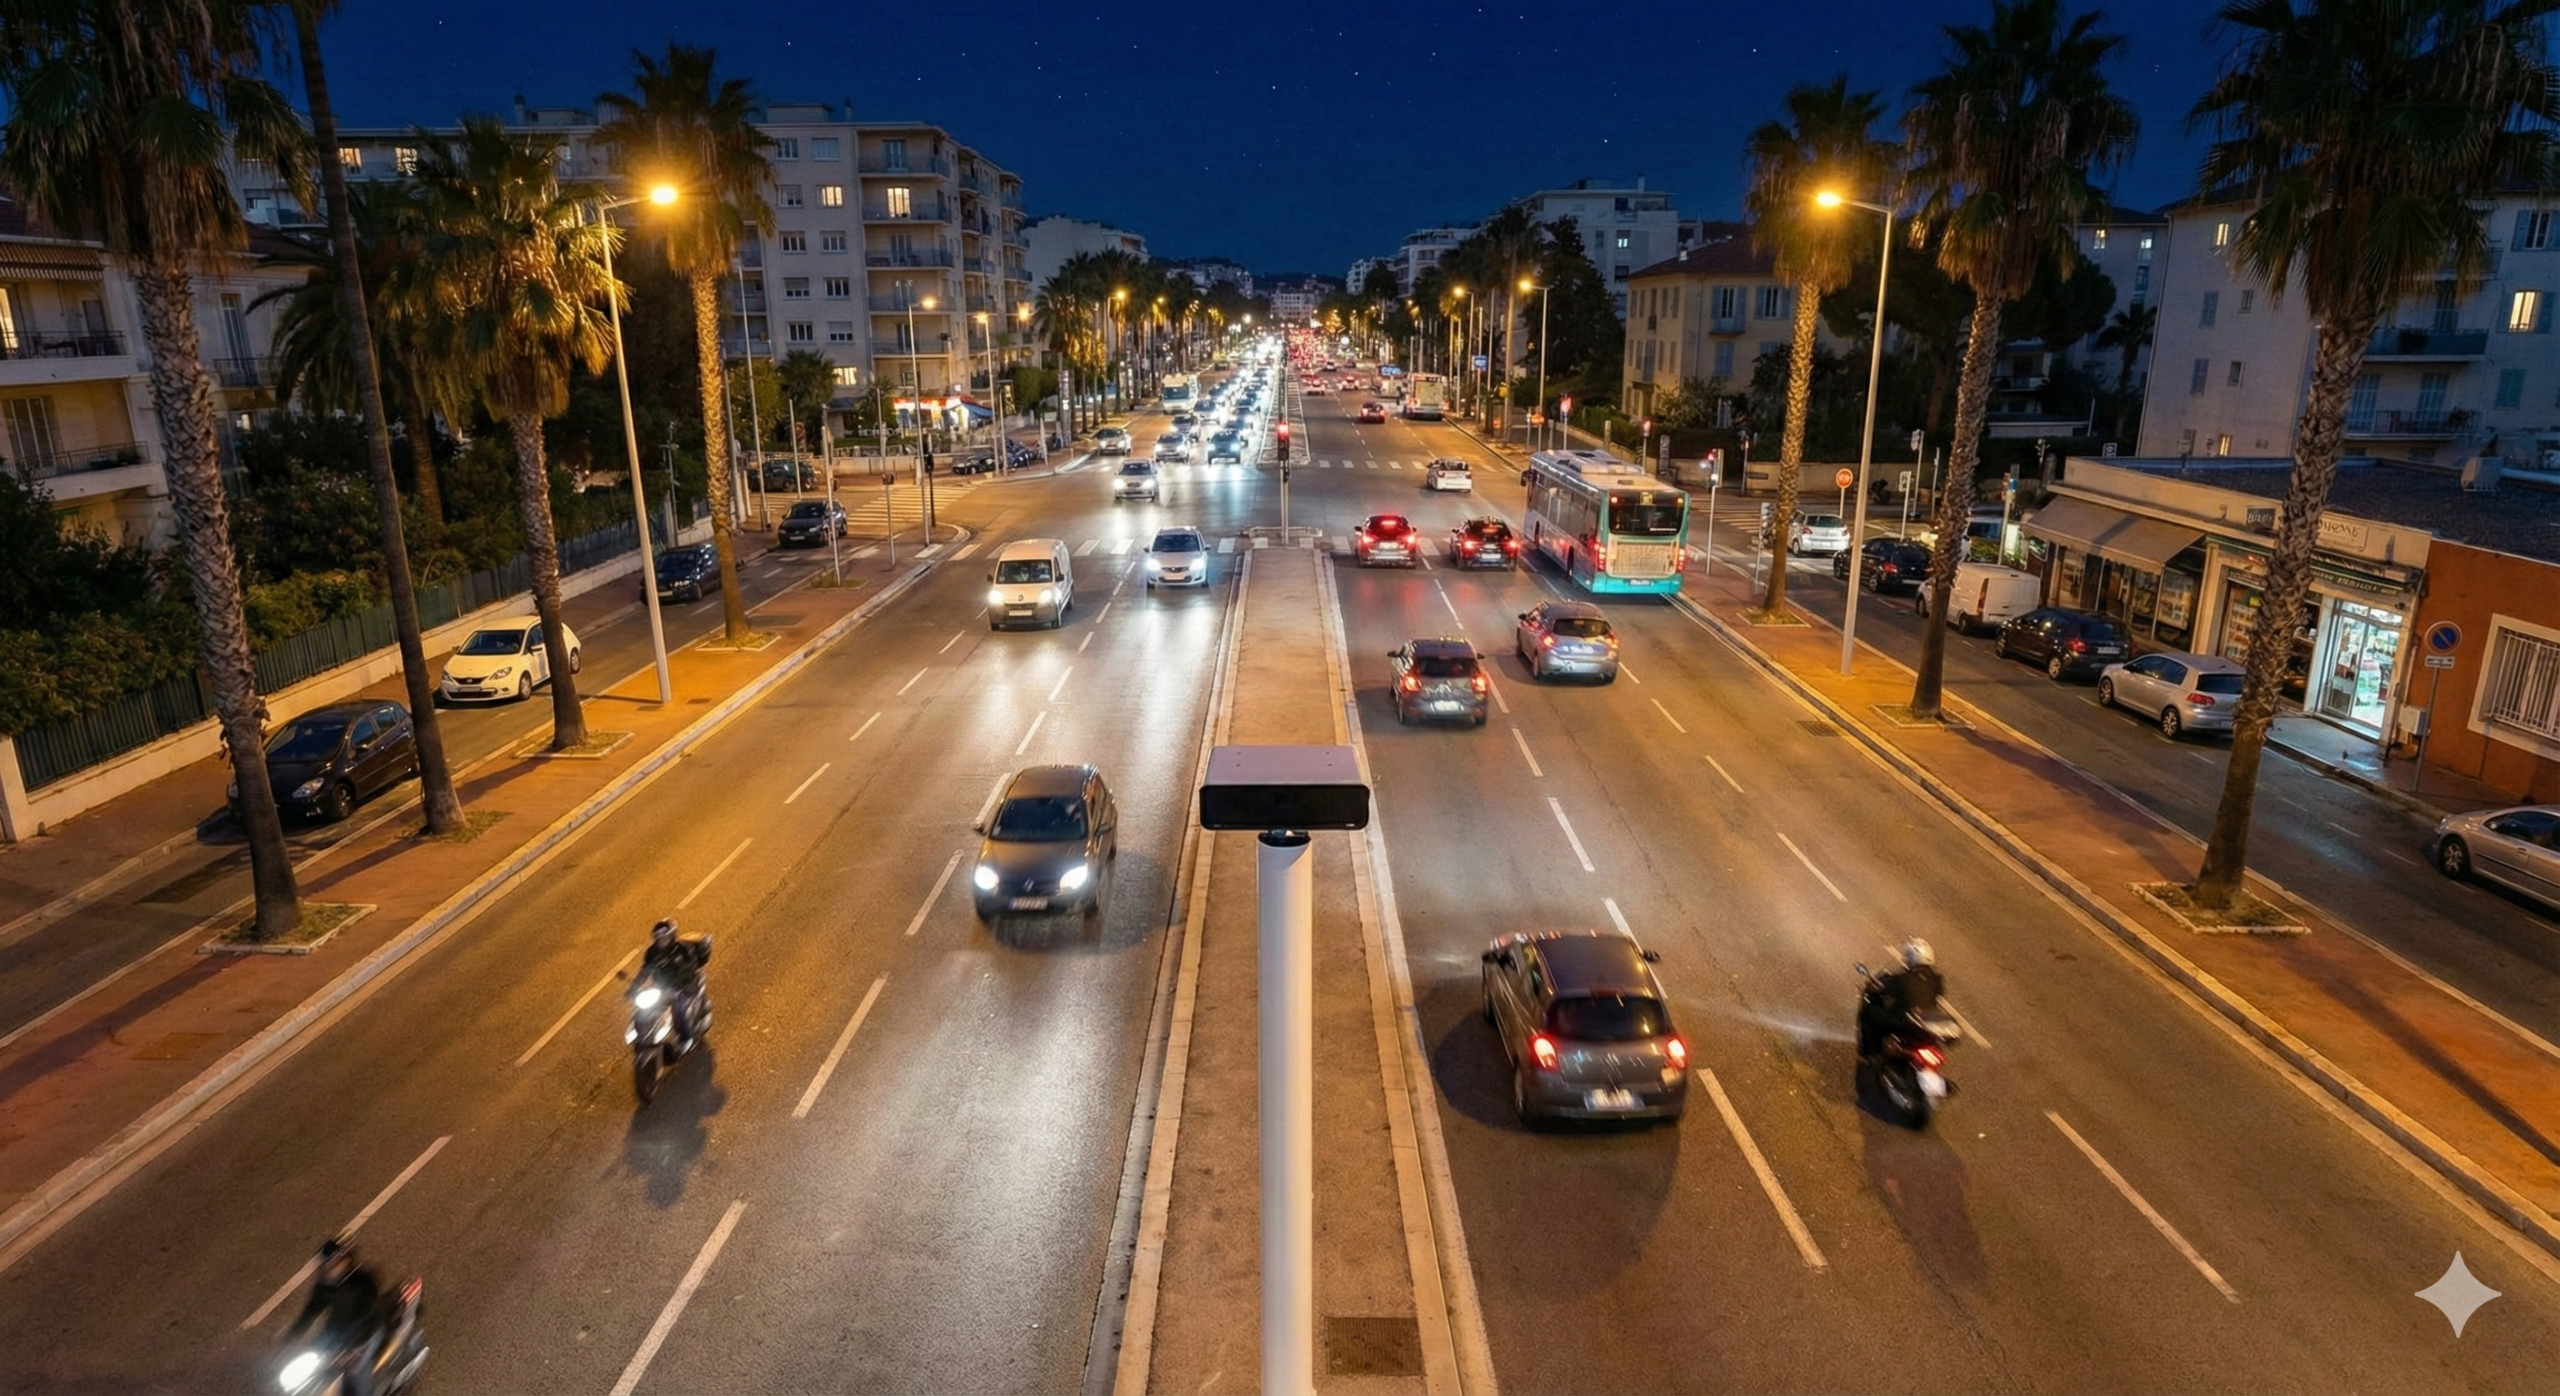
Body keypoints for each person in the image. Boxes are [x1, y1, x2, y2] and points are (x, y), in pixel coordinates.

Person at [286, 1236, 386, 1395]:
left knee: (357, 1374)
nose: (331, 1268)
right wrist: (290, 1339)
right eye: (327, 1265)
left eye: (336, 1262)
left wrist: (353, 1349)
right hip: (335, 1332)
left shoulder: (362, 1281)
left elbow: (367, 1316)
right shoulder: (324, 1286)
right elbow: (310, 1313)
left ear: (344, 1260)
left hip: (367, 1333)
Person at [1858, 939, 1946, 1058]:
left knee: (1870, 1011)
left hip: (1905, 1023)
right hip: (1925, 1026)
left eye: (1908, 956)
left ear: (1912, 958)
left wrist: (1875, 986)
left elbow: (1884, 988)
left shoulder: (1903, 979)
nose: (1905, 959)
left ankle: (1869, 1051)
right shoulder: (1937, 980)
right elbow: (1939, 993)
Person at [640, 918, 711, 1038]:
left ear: (672, 936)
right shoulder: (652, 952)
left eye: (665, 938)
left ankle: (685, 1038)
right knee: (643, 1008)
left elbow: (691, 968)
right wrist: (634, 987)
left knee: (681, 1009)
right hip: (662, 986)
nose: (662, 941)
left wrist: (683, 982)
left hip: (684, 985)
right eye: (659, 938)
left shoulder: (684, 949)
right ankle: (642, 1036)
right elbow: (645, 969)